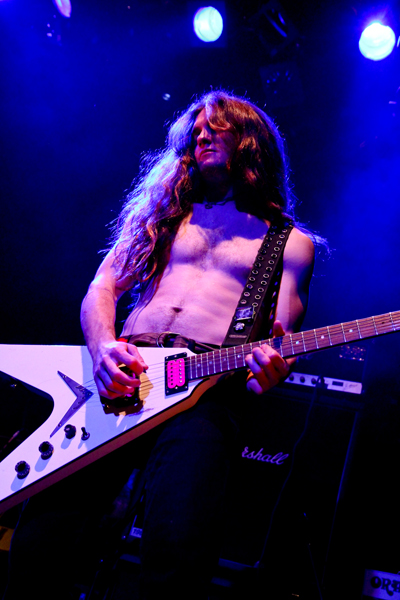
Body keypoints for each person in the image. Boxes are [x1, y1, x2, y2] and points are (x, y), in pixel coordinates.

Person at [4, 90, 314, 600]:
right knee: (46, 532)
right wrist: (103, 348)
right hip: (124, 375)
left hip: (205, 391)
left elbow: (281, 338)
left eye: (216, 126)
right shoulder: (165, 215)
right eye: (196, 130)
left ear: (249, 140)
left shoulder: (290, 242)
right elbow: (102, 287)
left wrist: (272, 365)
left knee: (179, 550)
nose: (202, 135)